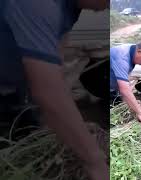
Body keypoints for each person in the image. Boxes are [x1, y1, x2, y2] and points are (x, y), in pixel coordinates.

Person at [0, 0, 108, 180]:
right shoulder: (39, 4)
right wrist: (94, 161)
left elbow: (55, 72)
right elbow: (48, 92)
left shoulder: (71, 9)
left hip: (14, 93)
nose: (109, 6)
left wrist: (72, 126)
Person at [110, 40, 141, 126]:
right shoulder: (122, 58)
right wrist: (140, 113)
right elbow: (124, 90)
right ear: (139, 51)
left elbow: (124, 82)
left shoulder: (133, 49)